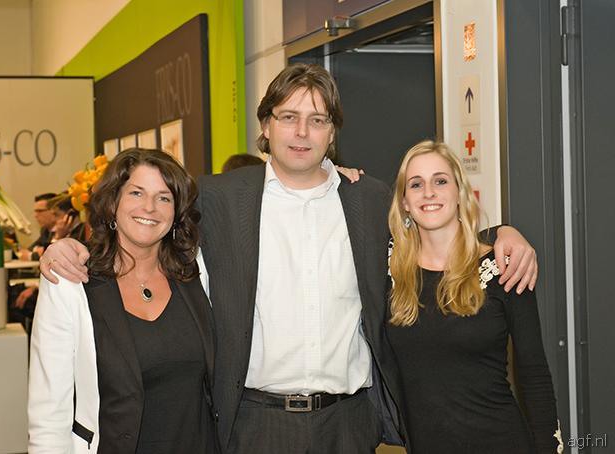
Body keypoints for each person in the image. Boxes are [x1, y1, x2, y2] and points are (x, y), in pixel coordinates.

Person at [40, 64, 538, 454]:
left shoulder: (368, 200)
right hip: (254, 424)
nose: (302, 132)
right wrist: (71, 245)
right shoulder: (217, 199)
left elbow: (434, 231)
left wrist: (501, 235)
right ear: (266, 125)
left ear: (332, 133)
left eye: (317, 120)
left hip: (349, 422)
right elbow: (149, 224)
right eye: (288, 117)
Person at [28, 149, 218, 453]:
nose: (149, 207)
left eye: (164, 197)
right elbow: (48, 412)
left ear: (176, 211)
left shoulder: (196, 272)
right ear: (113, 202)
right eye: (136, 193)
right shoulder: (71, 282)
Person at [385, 140, 561, 453]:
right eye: (416, 184)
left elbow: (534, 375)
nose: (429, 192)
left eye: (441, 181)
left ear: (460, 193)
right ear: (404, 203)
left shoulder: (504, 267)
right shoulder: (390, 272)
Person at [17, 192, 57, 260]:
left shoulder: (64, 230)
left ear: (54, 211)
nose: (35, 215)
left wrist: (31, 256)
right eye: (35, 211)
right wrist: (36, 250)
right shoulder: (45, 230)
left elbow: (54, 255)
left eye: (40, 211)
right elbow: (30, 249)